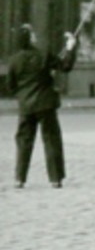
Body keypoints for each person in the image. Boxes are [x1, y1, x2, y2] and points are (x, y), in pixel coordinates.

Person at [9, 24, 77, 189]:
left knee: (24, 141)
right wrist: (70, 48)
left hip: (26, 105)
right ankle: (55, 178)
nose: (35, 36)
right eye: (32, 34)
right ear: (28, 38)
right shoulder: (43, 55)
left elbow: (11, 85)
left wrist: (22, 96)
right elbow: (65, 66)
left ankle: (20, 178)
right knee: (51, 139)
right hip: (45, 104)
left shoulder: (14, 60)